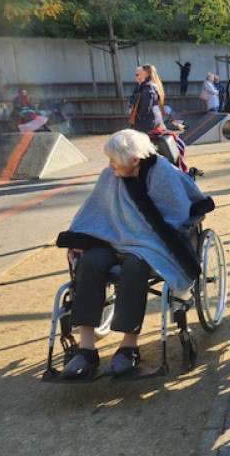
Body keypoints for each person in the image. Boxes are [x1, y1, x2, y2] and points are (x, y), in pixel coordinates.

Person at [54, 129, 214, 380]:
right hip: (112, 240)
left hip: (150, 243)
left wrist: (136, 235)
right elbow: (94, 210)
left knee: (134, 267)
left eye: (114, 160)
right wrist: (80, 237)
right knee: (90, 262)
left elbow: (175, 215)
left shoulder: (161, 173)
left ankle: (128, 347)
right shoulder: (112, 175)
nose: (109, 165)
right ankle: (86, 349)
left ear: (135, 160)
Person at [128, 64, 165, 135]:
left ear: (146, 74)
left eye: (138, 75)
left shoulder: (148, 87)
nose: (136, 77)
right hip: (152, 120)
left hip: (148, 123)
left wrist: (139, 117)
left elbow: (145, 107)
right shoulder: (149, 86)